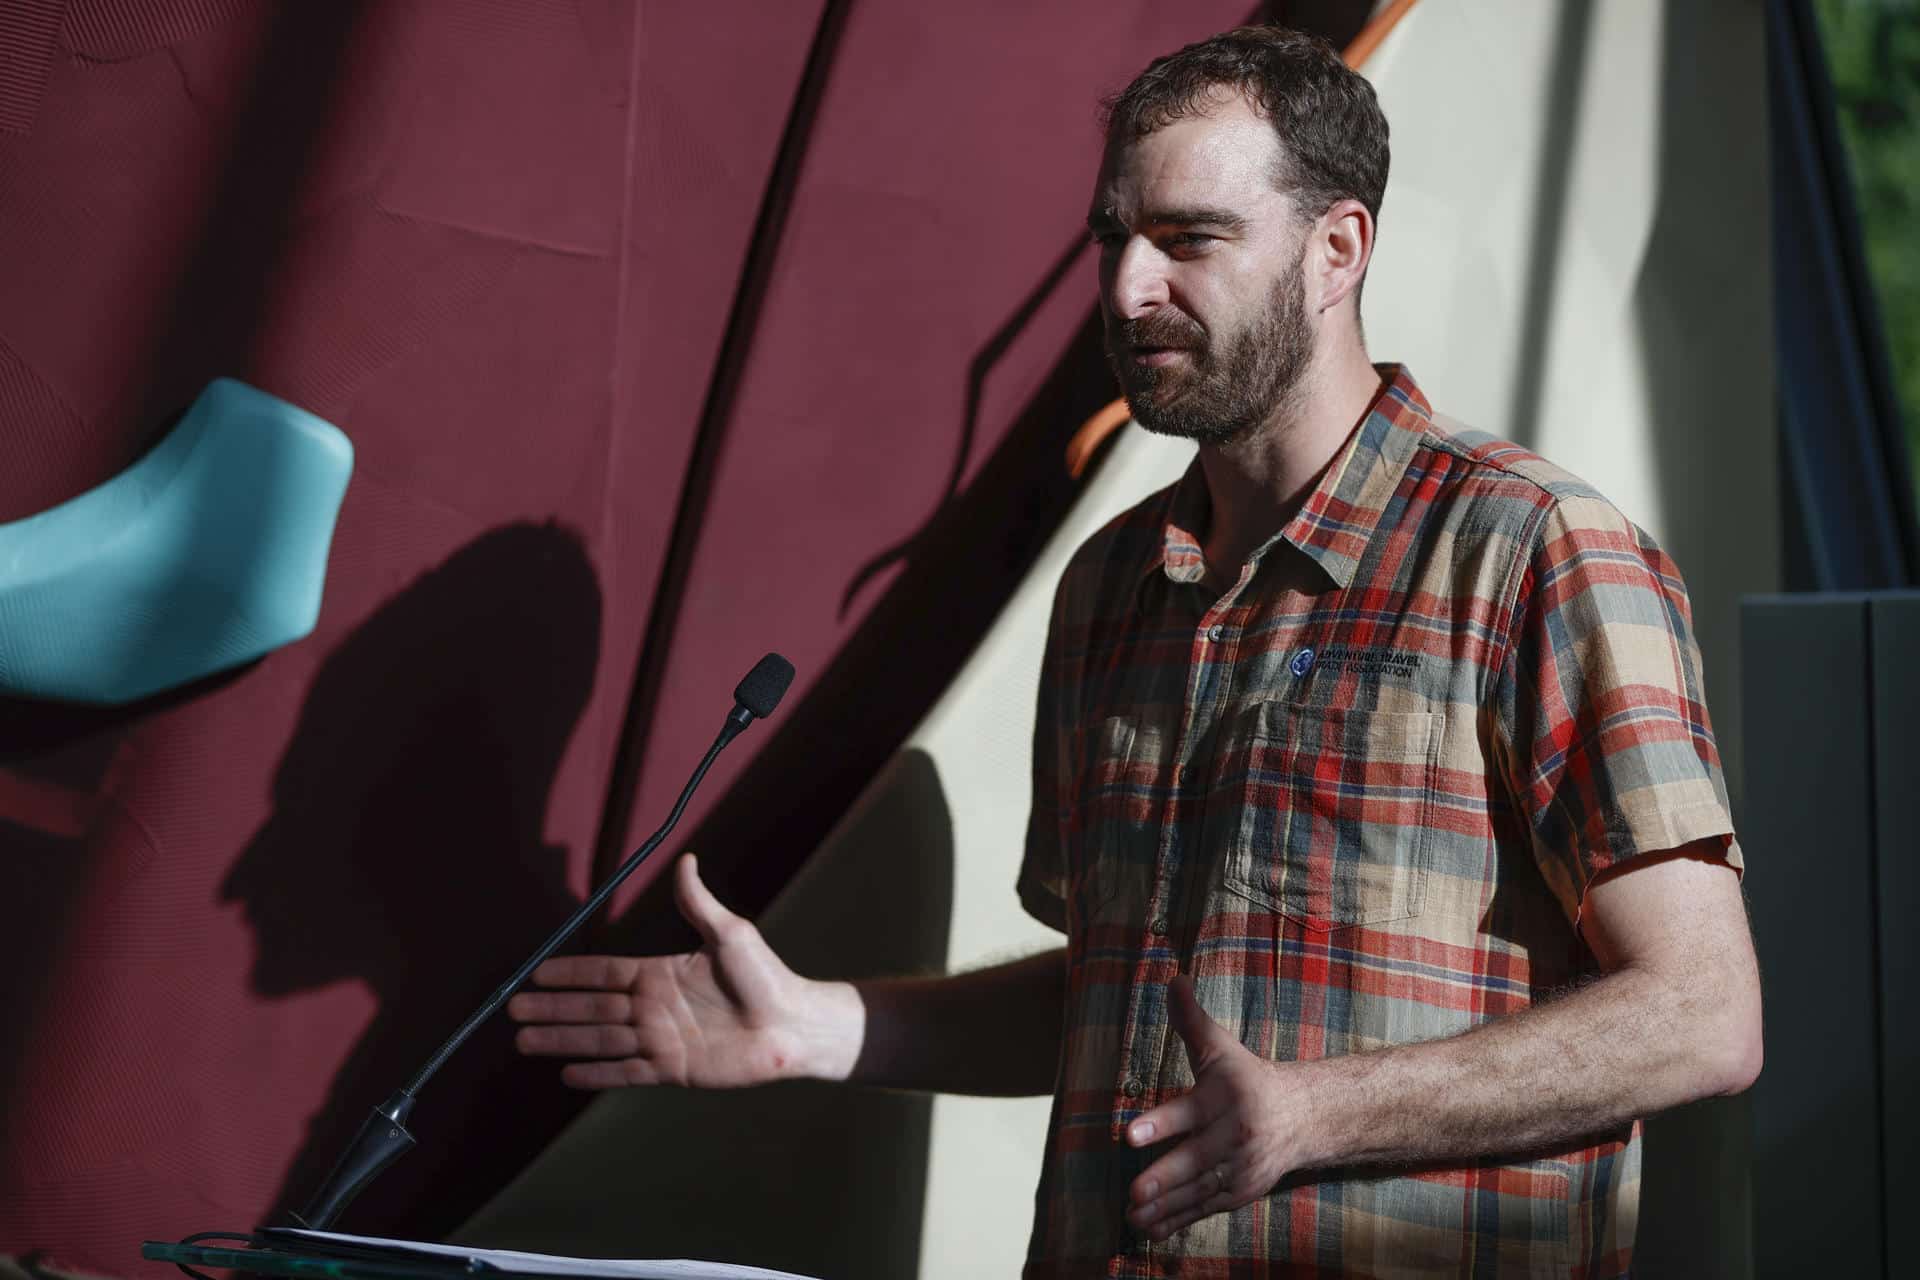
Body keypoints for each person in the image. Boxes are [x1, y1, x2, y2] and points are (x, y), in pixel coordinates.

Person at [509, 26, 1761, 1278]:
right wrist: (825, 1024)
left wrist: (1318, 1109)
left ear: (1338, 250)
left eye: (1190, 239)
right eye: (1113, 238)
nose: (1125, 288)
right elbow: (1122, 997)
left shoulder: (1535, 546)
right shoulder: (1110, 586)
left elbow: (1704, 1013)